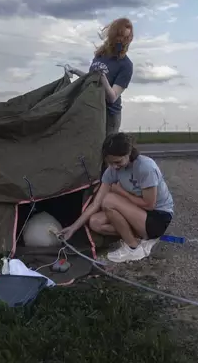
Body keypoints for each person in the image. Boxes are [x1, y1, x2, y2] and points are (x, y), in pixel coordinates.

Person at [60, 133, 174, 263]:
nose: (114, 166)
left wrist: (120, 191)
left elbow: (149, 205)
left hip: (157, 218)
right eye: (109, 162)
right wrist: (73, 228)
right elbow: (95, 204)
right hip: (138, 214)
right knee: (95, 222)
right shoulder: (112, 170)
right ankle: (139, 239)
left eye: (118, 162)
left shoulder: (145, 167)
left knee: (109, 200)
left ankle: (134, 248)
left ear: (129, 153)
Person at [67, 17, 134, 135]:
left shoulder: (126, 65)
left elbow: (112, 97)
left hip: (109, 116)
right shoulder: (100, 55)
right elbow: (91, 79)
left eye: (125, 38)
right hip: (93, 109)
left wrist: (103, 77)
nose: (121, 40)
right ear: (112, 34)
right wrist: (75, 71)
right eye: (119, 36)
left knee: (105, 151)